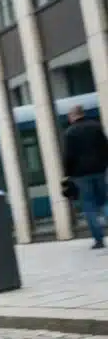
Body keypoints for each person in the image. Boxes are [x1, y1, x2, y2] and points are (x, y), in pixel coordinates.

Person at [62, 104, 108, 249]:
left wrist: (67, 174)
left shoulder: (70, 132)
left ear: (73, 116)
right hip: (99, 170)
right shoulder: (96, 127)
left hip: (80, 174)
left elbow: (69, 156)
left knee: (89, 205)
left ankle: (98, 240)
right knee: (104, 201)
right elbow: (105, 147)